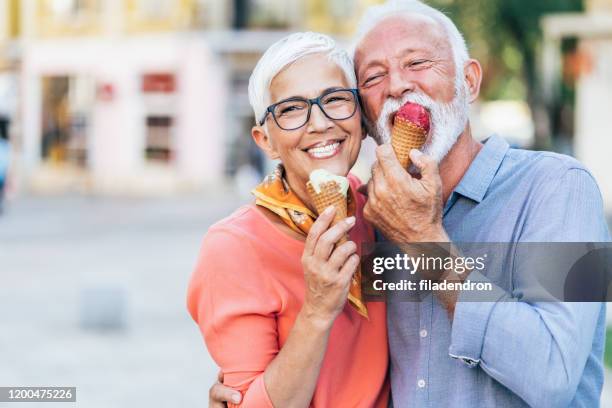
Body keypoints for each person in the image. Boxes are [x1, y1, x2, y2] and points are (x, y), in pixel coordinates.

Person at [210, 1, 611, 407]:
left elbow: (554, 375)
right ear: (365, 119)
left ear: (469, 82)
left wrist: (424, 242)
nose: (398, 85)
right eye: (375, 75)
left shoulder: (562, 189)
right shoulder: (371, 219)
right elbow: (346, 360)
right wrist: (249, 390)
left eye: (417, 62)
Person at [187, 32, 389, 408]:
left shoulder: (382, 212)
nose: (320, 122)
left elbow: (482, 290)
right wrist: (316, 309)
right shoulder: (234, 247)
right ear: (265, 140)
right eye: (292, 109)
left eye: (335, 99)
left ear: (361, 118)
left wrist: (424, 230)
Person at [0, 133, 10, 214]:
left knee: (1, 191)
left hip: (1, 173)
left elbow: (7, 161)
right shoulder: (5, 145)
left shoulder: (4, 145)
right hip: (2, 173)